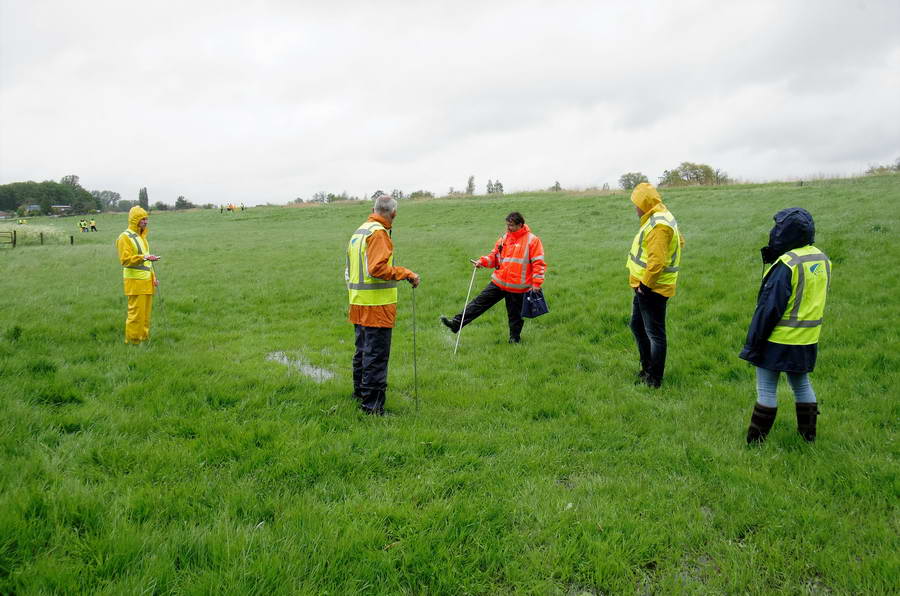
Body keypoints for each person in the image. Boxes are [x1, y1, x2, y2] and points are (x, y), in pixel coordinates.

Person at [741, 208, 831, 444]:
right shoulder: (821, 258)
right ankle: (808, 437)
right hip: (807, 338)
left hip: (778, 338)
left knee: (767, 390)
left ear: (786, 233)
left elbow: (768, 310)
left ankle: (755, 442)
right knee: (801, 384)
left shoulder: (787, 264)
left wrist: (753, 344)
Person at [346, 195, 420, 415]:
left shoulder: (359, 232)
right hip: (376, 306)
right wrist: (406, 273)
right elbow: (377, 269)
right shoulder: (378, 234)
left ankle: (360, 393)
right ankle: (372, 407)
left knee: (362, 352)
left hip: (358, 302)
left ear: (373, 208)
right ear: (393, 213)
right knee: (376, 356)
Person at [441, 211, 545, 343]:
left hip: (518, 287)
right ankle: (456, 323)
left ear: (520, 225)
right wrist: (482, 262)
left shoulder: (533, 241)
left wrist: (537, 283)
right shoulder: (504, 239)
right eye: (507, 225)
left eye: (511, 225)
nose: (508, 228)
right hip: (499, 282)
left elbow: (539, 263)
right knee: (478, 303)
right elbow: (494, 257)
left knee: (515, 315)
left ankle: (514, 339)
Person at [626, 183, 684, 388]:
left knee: (655, 333)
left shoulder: (658, 225)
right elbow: (681, 241)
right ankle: (647, 368)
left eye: (637, 204)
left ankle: (654, 378)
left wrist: (645, 287)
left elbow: (657, 261)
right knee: (637, 326)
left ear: (645, 203)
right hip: (647, 286)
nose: (635, 208)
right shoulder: (660, 216)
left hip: (653, 288)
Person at [116, 206, 160, 344]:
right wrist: (144, 257)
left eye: (147, 219)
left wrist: (154, 278)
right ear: (135, 220)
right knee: (136, 314)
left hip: (146, 282)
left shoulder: (142, 237)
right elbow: (125, 260)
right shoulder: (125, 237)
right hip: (135, 283)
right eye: (143, 219)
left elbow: (147, 263)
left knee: (145, 315)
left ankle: (143, 338)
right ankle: (133, 341)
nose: (146, 222)